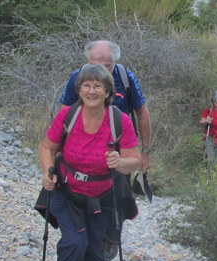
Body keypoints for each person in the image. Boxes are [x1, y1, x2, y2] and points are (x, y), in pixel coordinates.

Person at [40, 64, 141, 261]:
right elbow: (47, 147)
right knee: (75, 241)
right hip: (68, 189)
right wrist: (47, 171)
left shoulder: (120, 120)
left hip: (103, 192)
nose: (91, 91)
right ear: (79, 89)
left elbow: (135, 160)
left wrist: (120, 163)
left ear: (108, 91)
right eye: (87, 85)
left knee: (97, 244)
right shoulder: (68, 116)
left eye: (97, 86)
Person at [60, 40, 153, 172]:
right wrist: (57, 149)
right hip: (81, 148)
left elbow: (142, 114)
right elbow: (64, 113)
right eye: (94, 65)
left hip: (117, 152)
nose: (100, 72)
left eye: (106, 66)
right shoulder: (77, 76)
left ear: (114, 61)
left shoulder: (126, 77)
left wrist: (145, 152)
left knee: (118, 190)